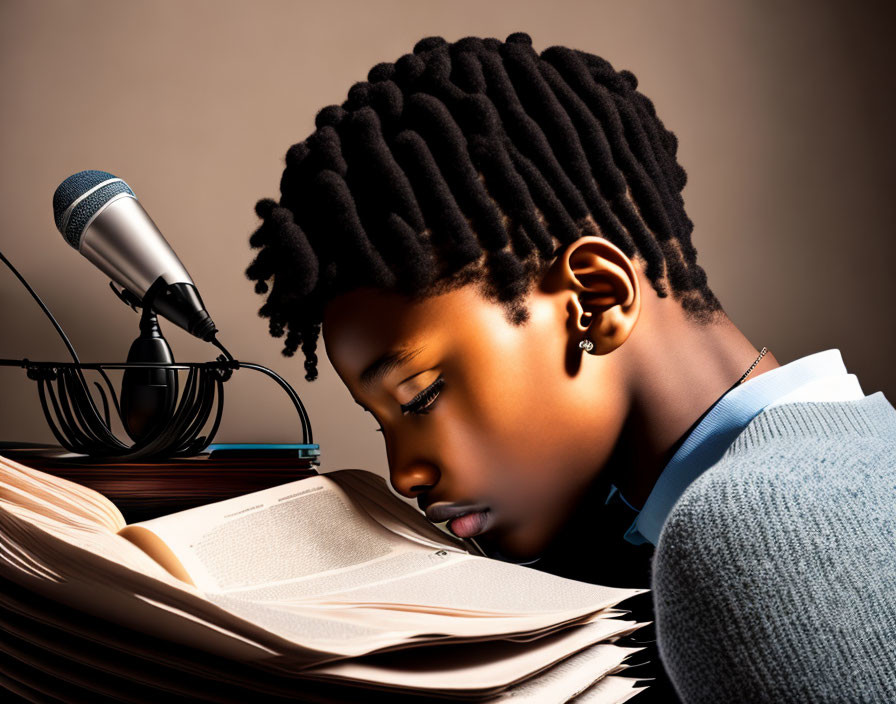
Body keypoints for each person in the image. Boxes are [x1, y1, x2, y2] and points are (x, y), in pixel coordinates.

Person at [245, 32, 896, 703]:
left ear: (595, 301)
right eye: (380, 422)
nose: (404, 473)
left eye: (420, 395)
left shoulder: (754, 535)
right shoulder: (854, 460)